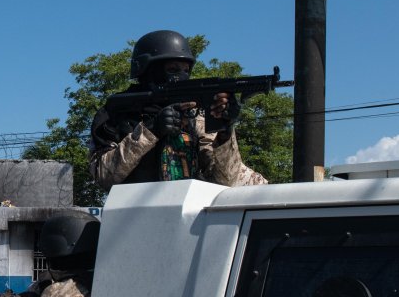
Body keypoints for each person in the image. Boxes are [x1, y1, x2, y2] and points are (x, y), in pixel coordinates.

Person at [89, 30, 267, 189]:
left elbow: (226, 181)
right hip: (135, 216)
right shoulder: (117, 114)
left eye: (186, 70)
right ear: (148, 71)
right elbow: (103, 176)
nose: (181, 77)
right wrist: (151, 130)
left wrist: (225, 131)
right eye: (172, 70)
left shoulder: (195, 119)